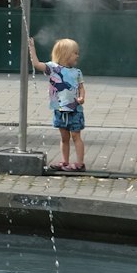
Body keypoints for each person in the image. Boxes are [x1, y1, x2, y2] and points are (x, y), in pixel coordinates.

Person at [29, 36, 86, 172]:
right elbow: (36, 64)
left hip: (74, 110)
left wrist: (82, 97)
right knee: (64, 137)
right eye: (75, 53)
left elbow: (81, 88)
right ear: (65, 54)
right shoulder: (53, 68)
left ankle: (80, 163)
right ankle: (65, 161)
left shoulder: (77, 72)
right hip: (60, 109)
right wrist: (32, 48)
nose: (77, 55)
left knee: (76, 136)